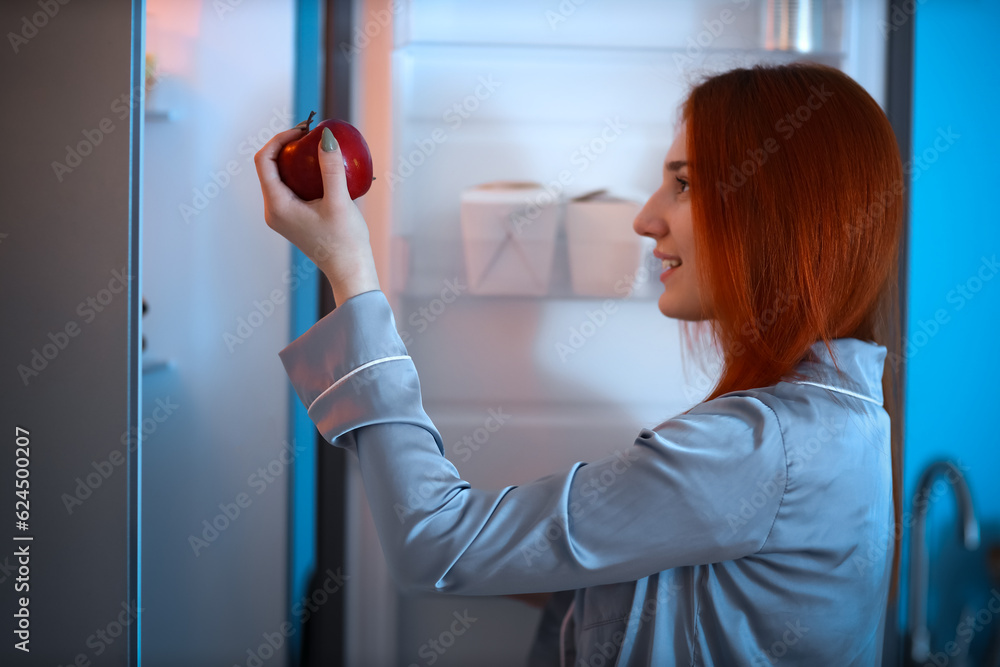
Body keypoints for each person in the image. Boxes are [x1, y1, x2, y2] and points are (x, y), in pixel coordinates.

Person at [254, 61, 903, 666]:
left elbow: (432, 543)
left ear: (776, 213)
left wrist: (349, 271)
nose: (646, 218)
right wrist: (530, 552)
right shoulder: (835, 422)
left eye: (683, 183)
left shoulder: (760, 449)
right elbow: (677, 589)